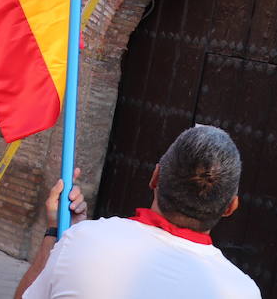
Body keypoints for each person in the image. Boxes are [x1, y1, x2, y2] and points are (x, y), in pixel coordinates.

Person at [17, 125, 260, 299]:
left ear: (155, 177)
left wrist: (56, 232)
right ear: (231, 207)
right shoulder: (241, 292)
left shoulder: (81, 240)